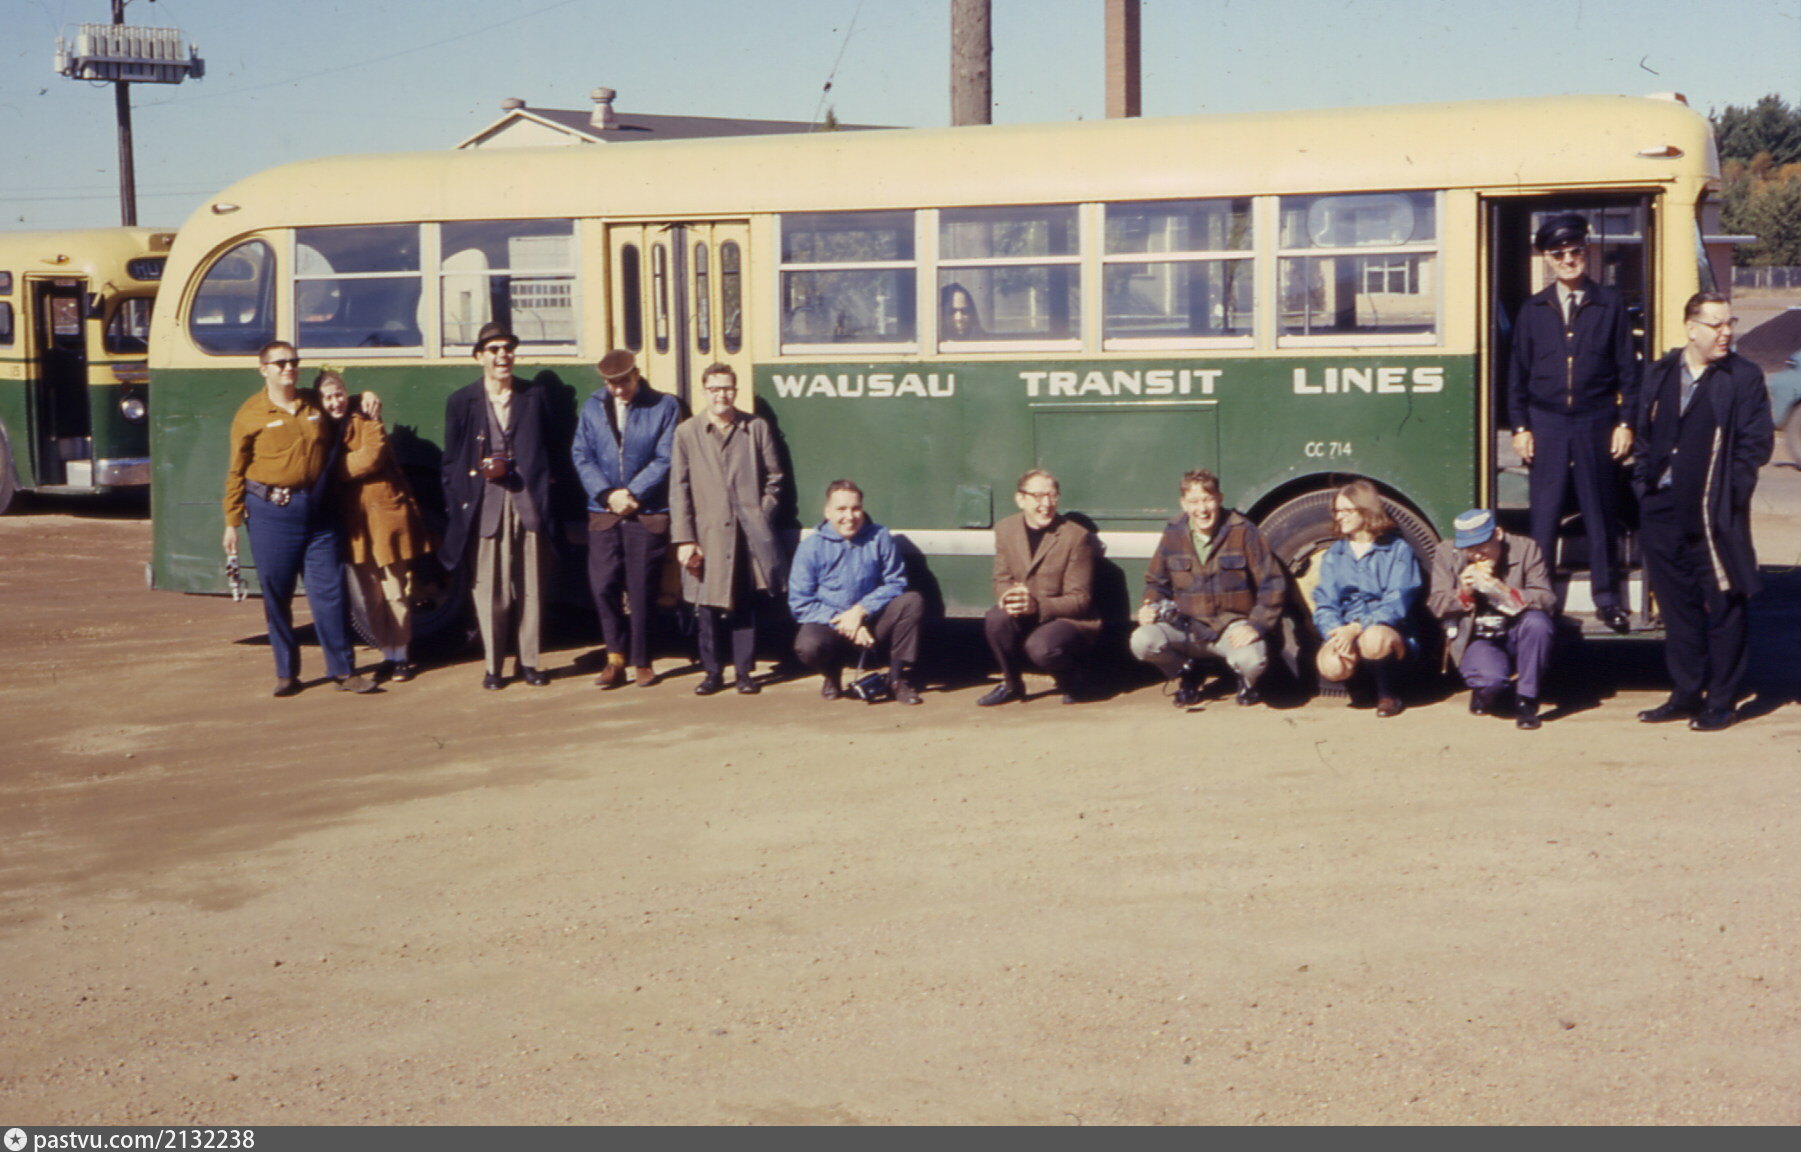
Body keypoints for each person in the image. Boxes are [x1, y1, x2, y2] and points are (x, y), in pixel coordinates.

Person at [1632, 292, 1774, 731]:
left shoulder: (1742, 377)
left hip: (1714, 512)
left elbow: (1755, 444)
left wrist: (1730, 495)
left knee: (1725, 603)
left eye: (1729, 323)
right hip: (1661, 509)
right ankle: (1686, 693)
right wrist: (1643, 485)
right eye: (1716, 324)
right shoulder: (1660, 372)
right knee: (1678, 607)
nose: (1726, 332)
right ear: (1691, 328)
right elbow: (1642, 435)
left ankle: (1722, 701)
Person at [1507, 213, 1640, 633]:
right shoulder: (1533, 309)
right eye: (1559, 253)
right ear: (1547, 259)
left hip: (1595, 420)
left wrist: (1625, 422)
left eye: (1575, 251)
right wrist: (1521, 427)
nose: (1568, 260)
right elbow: (1517, 375)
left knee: (1599, 512)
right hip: (1546, 422)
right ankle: (1540, 600)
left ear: (1587, 251)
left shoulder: (1610, 304)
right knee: (1544, 516)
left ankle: (1607, 599)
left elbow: (1628, 372)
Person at [221, 341, 375, 696]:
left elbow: (339, 402)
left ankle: (343, 671)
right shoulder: (250, 414)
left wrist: (365, 395)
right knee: (277, 594)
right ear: (264, 370)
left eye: (293, 361)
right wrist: (231, 521)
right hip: (272, 514)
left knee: (330, 593)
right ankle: (286, 673)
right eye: (280, 363)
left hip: (319, 513)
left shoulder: (312, 402)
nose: (289, 368)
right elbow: (236, 471)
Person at [441, 322, 555, 690]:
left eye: (507, 349)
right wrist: (461, 503)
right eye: (493, 350)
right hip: (485, 505)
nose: (502, 355)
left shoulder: (533, 396)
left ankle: (530, 662)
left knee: (531, 586)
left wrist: (542, 490)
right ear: (479, 357)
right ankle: (493, 667)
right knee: (489, 589)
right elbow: (451, 462)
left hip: (527, 503)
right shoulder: (462, 401)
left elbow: (551, 450)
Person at [669, 363, 787, 696]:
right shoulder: (686, 433)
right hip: (706, 534)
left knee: (745, 603)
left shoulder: (756, 428)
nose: (721, 395)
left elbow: (775, 478)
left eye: (727, 388)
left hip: (747, 533)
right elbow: (679, 489)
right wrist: (685, 539)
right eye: (714, 389)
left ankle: (745, 673)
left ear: (735, 391)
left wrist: (760, 515)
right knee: (706, 605)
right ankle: (712, 672)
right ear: (704, 392)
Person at [1129, 469, 1286, 708]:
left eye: (1208, 499)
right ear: (1183, 503)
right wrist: (1149, 605)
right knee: (1142, 641)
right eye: (1193, 502)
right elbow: (1156, 582)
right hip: (1186, 628)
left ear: (1219, 498)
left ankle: (1246, 682)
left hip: (1230, 628)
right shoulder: (1173, 532)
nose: (1202, 509)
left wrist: (1256, 625)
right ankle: (1186, 672)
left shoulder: (1243, 530)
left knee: (1252, 660)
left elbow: (1272, 583)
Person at [573, 349, 681, 689]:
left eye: (623, 382)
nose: (618, 390)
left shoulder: (665, 406)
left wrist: (633, 493)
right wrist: (607, 494)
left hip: (645, 512)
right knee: (603, 584)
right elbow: (581, 454)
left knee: (642, 588)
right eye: (611, 384)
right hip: (604, 511)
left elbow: (666, 457)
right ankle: (615, 659)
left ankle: (643, 660)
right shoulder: (592, 407)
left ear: (637, 375)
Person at [317, 369, 431, 684]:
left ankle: (402, 656)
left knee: (395, 590)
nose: (335, 402)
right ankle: (388, 654)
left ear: (346, 394)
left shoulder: (366, 417)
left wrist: (330, 468)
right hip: (354, 524)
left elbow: (372, 457)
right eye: (328, 398)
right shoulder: (321, 426)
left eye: (339, 395)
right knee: (369, 597)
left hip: (384, 518)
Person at [789, 479, 926, 705]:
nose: (849, 516)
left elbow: (896, 582)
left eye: (855, 508)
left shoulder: (880, 536)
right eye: (841, 509)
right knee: (808, 646)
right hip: (831, 623)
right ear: (828, 512)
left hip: (873, 620)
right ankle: (831, 674)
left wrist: (861, 611)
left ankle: (896, 679)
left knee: (912, 601)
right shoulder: (810, 547)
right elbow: (800, 603)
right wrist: (845, 621)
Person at [977, 468, 1102, 706]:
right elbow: (1000, 579)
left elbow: (1080, 600)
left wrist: (1035, 605)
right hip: (1025, 611)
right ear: (1020, 499)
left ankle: (1072, 679)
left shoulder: (1076, 536)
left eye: (1052, 496)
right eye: (1038, 496)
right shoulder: (1005, 529)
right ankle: (1012, 685)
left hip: (1068, 618)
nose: (1046, 504)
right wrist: (1009, 596)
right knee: (996, 618)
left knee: (1041, 648)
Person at [1426, 508, 1555, 730]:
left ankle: (1526, 700)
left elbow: (1547, 599)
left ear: (1498, 534)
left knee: (1538, 623)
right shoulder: (1447, 553)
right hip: (1479, 637)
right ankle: (1484, 691)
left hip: (1517, 629)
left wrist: (1505, 591)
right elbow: (1436, 604)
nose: (1476, 555)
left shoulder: (1525, 548)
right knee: (1490, 681)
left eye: (1481, 546)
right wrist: (1464, 592)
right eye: (1468, 548)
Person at [1311, 479, 1422, 718]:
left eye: (1346, 510)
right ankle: (1361, 685)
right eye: (1337, 511)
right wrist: (1335, 633)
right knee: (1329, 664)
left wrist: (1357, 627)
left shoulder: (1397, 550)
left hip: (1387, 629)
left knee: (1374, 639)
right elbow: (1325, 602)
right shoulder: (1334, 554)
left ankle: (1388, 694)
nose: (1340, 517)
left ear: (1366, 510)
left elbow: (1397, 602)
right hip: (1347, 629)